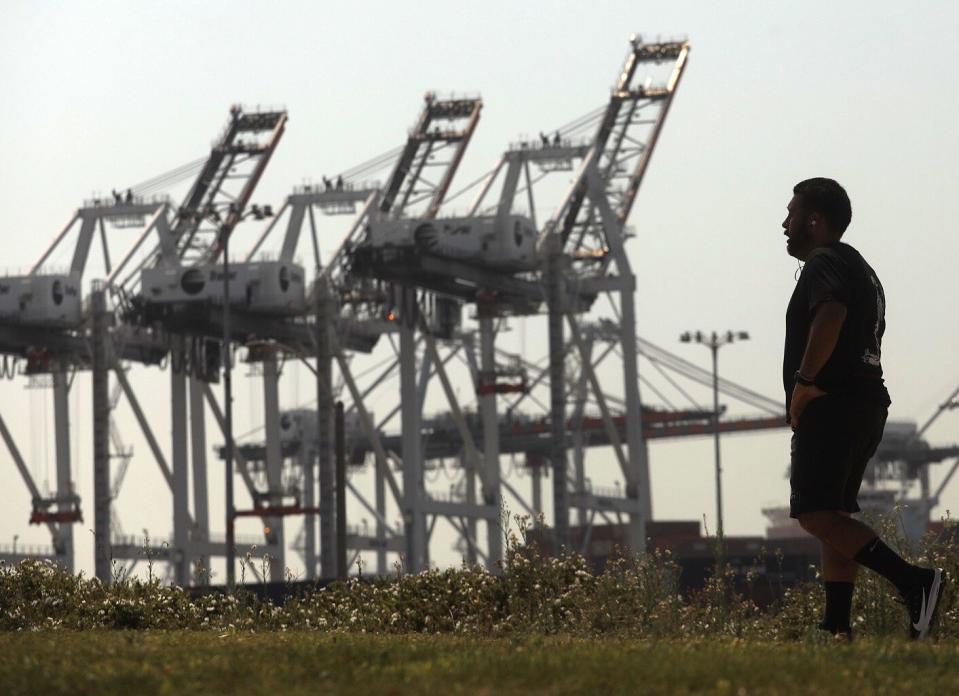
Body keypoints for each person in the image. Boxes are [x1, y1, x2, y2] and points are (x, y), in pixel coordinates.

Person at [782, 177, 944, 640]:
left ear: (814, 220)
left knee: (813, 513)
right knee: (835, 518)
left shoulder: (825, 263)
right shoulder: (862, 269)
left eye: (792, 215)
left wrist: (805, 383)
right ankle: (836, 628)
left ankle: (916, 582)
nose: (785, 224)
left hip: (832, 405)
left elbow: (831, 315)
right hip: (866, 405)